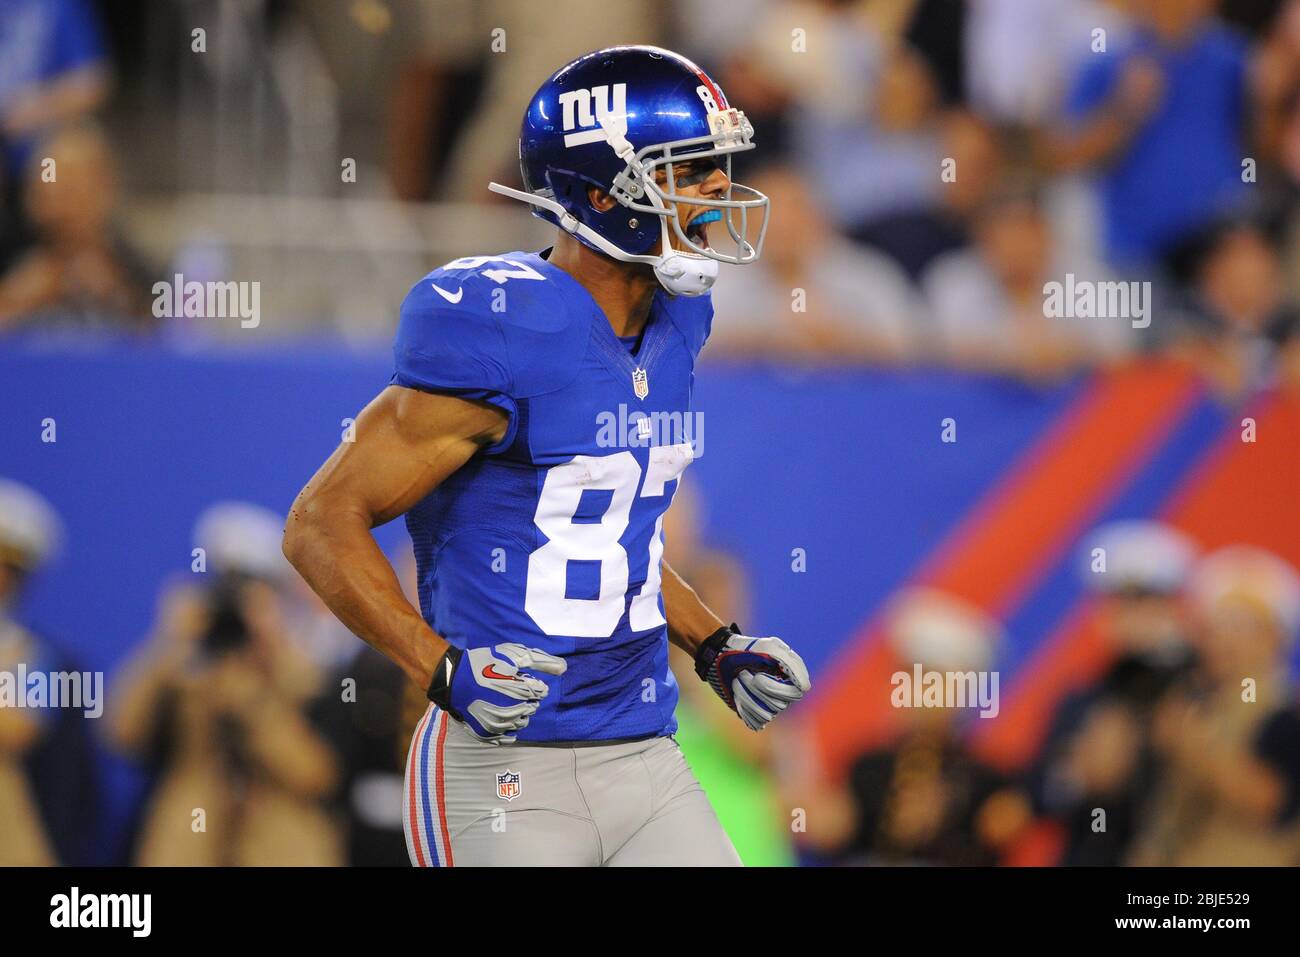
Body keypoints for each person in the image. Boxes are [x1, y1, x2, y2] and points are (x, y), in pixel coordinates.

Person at [284, 45, 811, 867]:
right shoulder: (501, 328)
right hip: (503, 773)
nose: (717, 189)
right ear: (603, 194)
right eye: (689, 168)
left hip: (645, 754)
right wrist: (441, 667)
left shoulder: (676, 321)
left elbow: (605, 538)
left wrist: (713, 643)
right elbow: (319, 523)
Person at [108, 502, 342, 866]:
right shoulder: (184, 666)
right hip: (187, 843)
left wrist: (256, 692)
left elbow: (317, 776)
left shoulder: (308, 673)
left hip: (278, 847)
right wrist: (166, 644)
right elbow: (123, 735)